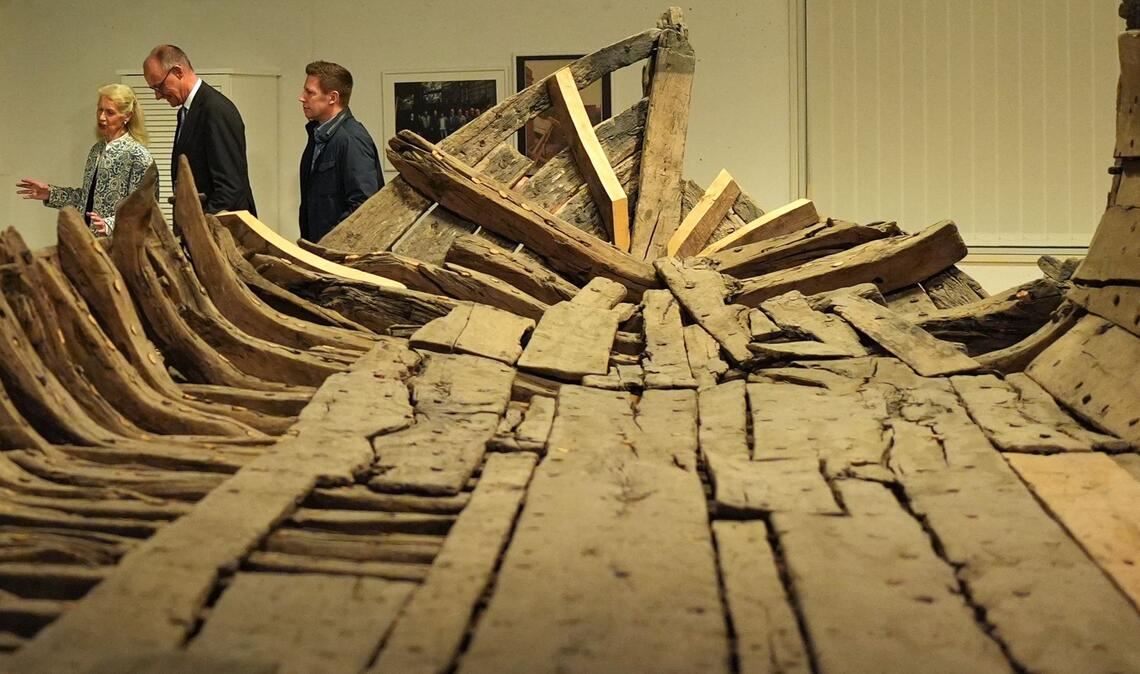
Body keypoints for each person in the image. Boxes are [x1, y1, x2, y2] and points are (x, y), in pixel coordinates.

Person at [16, 84, 155, 237]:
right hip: (89, 242)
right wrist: (51, 193)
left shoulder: (138, 156)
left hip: (121, 248)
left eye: (110, 112)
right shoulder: (96, 150)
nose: (102, 117)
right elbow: (86, 200)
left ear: (127, 116)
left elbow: (144, 209)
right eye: (100, 110)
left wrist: (109, 224)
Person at [143, 44, 256, 215]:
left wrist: (198, 227)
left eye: (159, 86)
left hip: (219, 233)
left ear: (178, 71)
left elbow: (231, 188)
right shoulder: (186, 112)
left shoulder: (215, 110)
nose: (157, 96)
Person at [297, 60, 383, 242]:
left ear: (332, 98)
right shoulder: (317, 135)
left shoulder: (351, 139)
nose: (302, 97)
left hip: (340, 255)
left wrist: (332, 244)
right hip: (319, 251)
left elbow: (364, 206)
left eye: (310, 92)